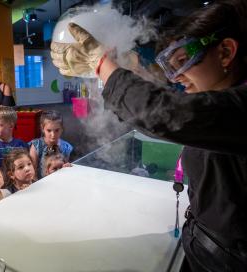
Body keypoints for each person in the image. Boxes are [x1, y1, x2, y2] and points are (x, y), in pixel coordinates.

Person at [50, 0, 247, 270]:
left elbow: (166, 114)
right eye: (171, 66)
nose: (176, 77)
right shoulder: (219, 104)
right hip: (206, 248)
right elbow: (161, 112)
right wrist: (127, 72)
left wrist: (103, 65)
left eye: (183, 61)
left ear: (225, 52)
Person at [29, 110, 73, 179]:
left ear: (62, 129)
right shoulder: (36, 146)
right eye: (49, 130)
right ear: (42, 128)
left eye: (57, 130)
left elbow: (66, 168)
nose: (53, 135)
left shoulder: (66, 147)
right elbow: (32, 172)